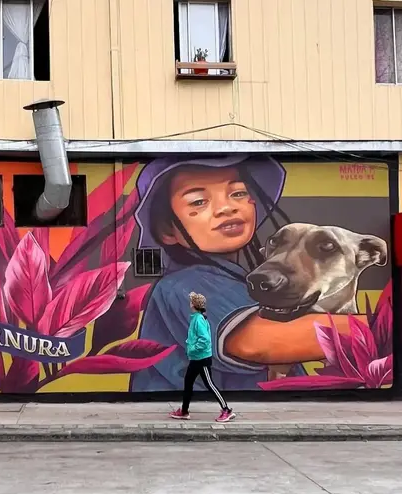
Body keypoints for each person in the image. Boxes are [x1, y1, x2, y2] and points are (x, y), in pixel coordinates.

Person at [131, 155, 366, 393]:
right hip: (202, 410)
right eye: (199, 201)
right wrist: (376, 327)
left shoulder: (235, 278)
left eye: (238, 193)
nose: (227, 208)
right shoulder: (186, 284)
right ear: (167, 229)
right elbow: (258, 343)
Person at [169, 292, 236, 422]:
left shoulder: (198, 319)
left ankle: (226, 410)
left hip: (201, 359)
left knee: (209, 384)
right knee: (188, 383)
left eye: (191, 301)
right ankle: (184, 411)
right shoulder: (197, 318)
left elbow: (205, 340)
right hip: (196, 358)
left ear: (193, 304)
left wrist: (193, 349)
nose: (189, 303)